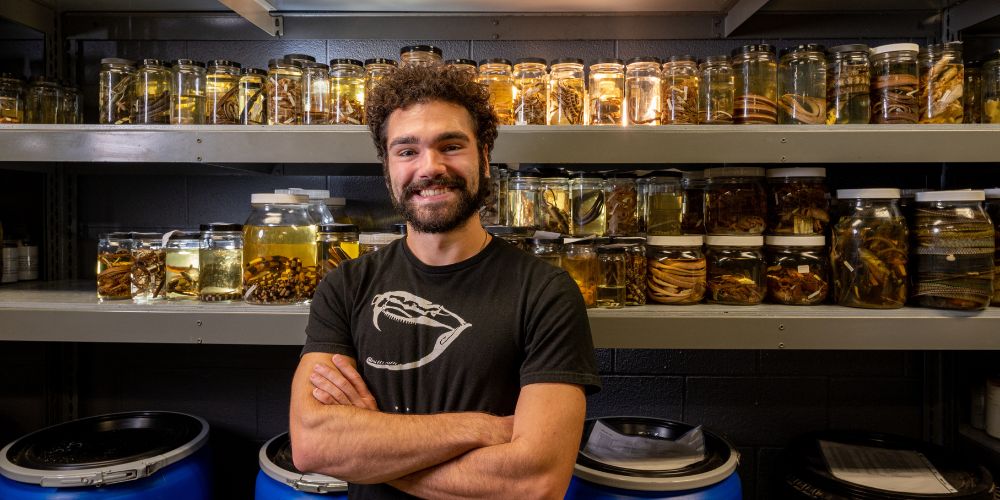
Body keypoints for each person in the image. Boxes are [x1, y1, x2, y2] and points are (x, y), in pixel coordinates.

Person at [289, 64, 601, 499]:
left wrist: (369, 453)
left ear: (485, 158)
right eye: (406, 151)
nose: (430, 167)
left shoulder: (546, 293)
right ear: (387, 168)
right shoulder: (345, 287)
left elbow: (534, 481)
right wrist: (481, 428)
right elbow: (313, 446)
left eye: (451, 146)